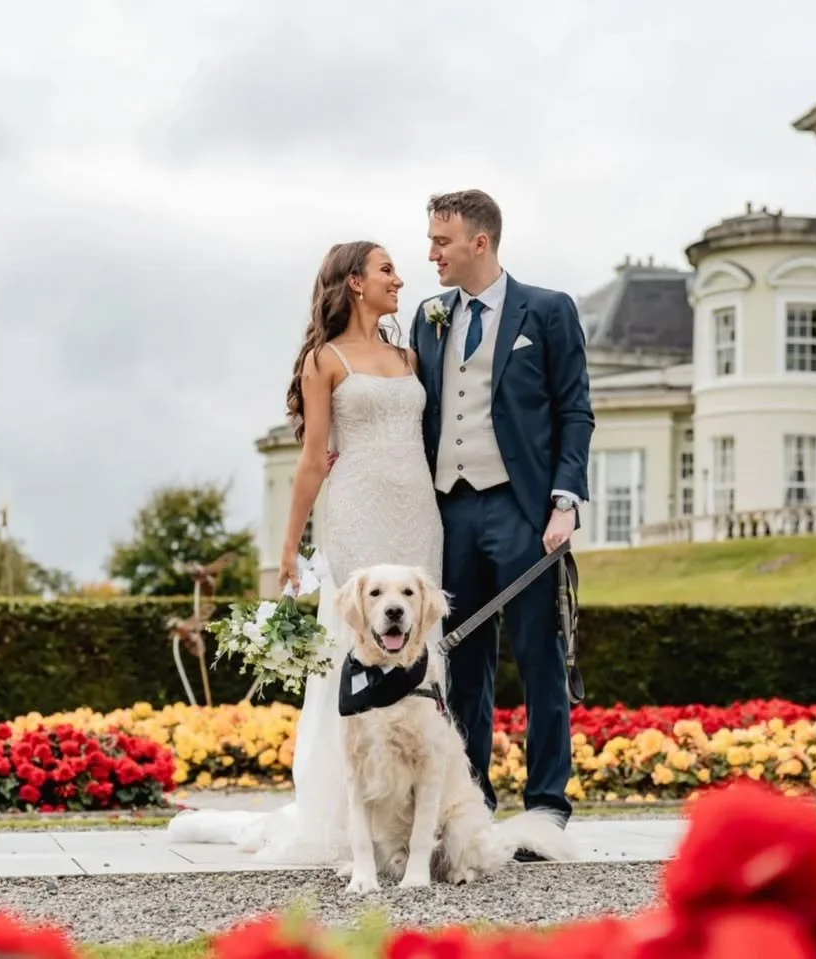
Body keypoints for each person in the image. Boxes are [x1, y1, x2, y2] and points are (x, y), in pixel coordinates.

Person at [165, 239, 443, 864]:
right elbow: (314, 458)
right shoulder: (325, 360)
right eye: (387, 270)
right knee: (354, 644)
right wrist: (289, 547)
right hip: (354, 512)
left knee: (420, 636)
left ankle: (414, 820)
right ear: (355, 282)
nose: (400, 279)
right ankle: (340, 817)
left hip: (418, 515)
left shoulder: (411, 356)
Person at [409, 190, 593, 855]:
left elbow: (574, 409)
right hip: (450, 511)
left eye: (441, 241)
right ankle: (471, 802)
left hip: (523, 511)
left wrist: (565, 502)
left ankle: (545, 806)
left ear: (479, 242)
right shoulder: (428, 317)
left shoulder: (546, 310)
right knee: (462, 664)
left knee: (541, 657)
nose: (431, 253)